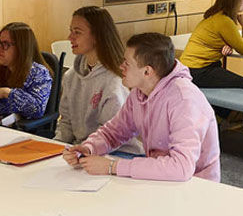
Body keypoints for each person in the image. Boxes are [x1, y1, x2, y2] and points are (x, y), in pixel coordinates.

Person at [61, 32, 221, 181]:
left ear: (147, 71)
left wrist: (113, 166)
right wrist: (89, 148)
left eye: (127, 63)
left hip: (196, 186)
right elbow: (114, 132)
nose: (121, 66)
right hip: (162, 178)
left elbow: (181, 167)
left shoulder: (184, 100)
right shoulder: (139, 92)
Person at [54, 7, 140, 155]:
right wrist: (55, 148)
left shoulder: (115, 80)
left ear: (97, 36)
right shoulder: (71, 76)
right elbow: (66, 122)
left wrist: (82, 151)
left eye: (77, 32)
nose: (70, 37)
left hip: (118, 152)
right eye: (71, 31)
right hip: (84, 149)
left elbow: (111, 137)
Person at [180, 0, 243, 92]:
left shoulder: (215, 16)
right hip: (198, 70)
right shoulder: (224, 21)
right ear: (233, 0)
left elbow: (217, 38)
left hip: (188, 67)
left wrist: (228, 45)